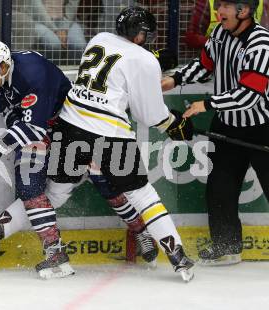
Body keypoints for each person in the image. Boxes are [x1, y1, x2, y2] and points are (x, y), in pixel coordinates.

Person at [48, 6, 196, 282]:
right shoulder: (144, 59)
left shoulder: (99, 38)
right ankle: (178, 256)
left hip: (70, 126)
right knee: (142, 194)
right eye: (145, 34)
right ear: (139, 34)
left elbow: (120, 63)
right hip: (109, 135)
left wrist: (151, 62)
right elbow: (148, 114)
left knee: (53, 194)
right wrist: (173, 123)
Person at [162, 0, 269, 266]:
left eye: (225, 6)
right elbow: (204, 65)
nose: (218, 10)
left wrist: (208, 104)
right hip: (228, 125)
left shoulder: (261, 44)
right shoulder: (221, 34)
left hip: (262, 129)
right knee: (220, 188)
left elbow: (250, 95)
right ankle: (227, 246)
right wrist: (175, 79)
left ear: (243, 11)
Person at [0, 39, 75, 279]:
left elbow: (34, 128)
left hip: (71, 129)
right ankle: (55, 254)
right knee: (29, 187)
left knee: (106, 180)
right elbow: (11, 114)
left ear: (3, 67)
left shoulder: (33, 71)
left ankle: (142, 231)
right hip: (37, 131)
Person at [184, 0, 265, 49]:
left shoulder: (259, 2)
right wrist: (222, 44)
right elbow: (192, 38)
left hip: (248, 57)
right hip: (214, 61)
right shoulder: (207, 2)